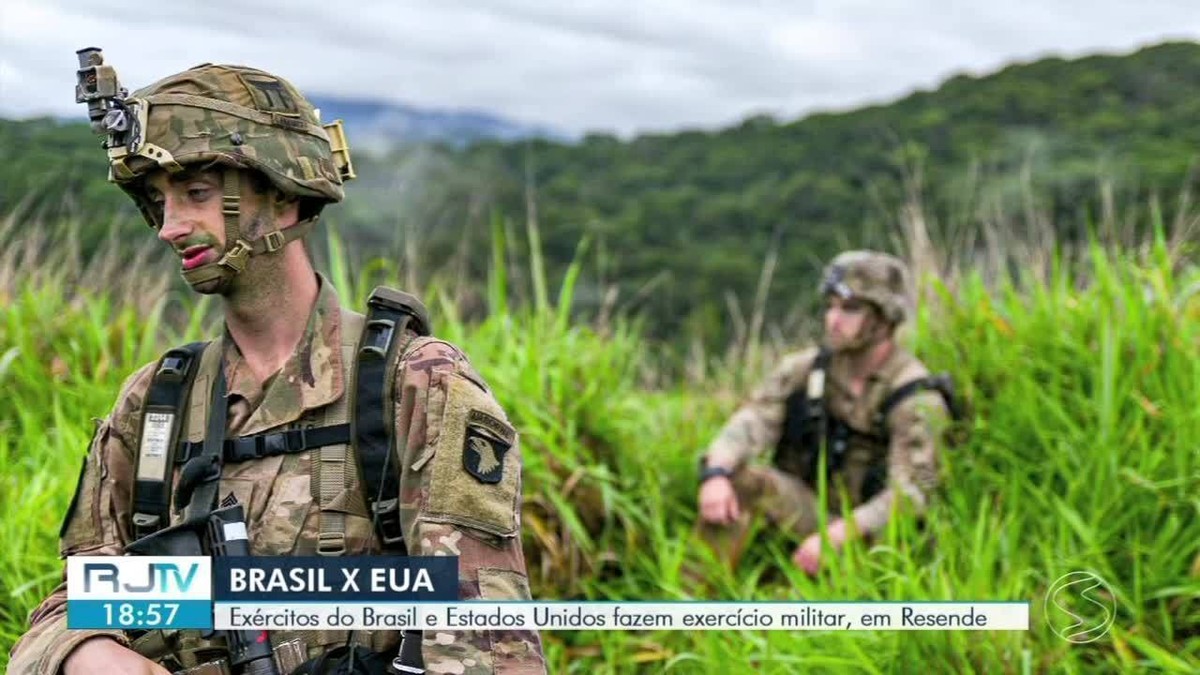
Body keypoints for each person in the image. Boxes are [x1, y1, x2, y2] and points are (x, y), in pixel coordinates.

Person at [9, 56, 546, 675]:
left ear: (285, 198)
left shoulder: (414, 383)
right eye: (159, 201)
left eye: (198, 195)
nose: (170, 227)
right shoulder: (159, 401)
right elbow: (75, 600)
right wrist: (86, 651)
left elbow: (486, 634)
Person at [694, 250, 955, 578]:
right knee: (740, 479)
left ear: (884, 318)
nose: (833, 319)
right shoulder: (808, 369)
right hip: (815, 511)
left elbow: (911, 495)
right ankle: (683, 610)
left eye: (850, 309)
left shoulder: (915, 397)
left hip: (874, 536)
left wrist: (836, 536)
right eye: (830, 306)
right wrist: (715, 473)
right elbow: (753, 422)